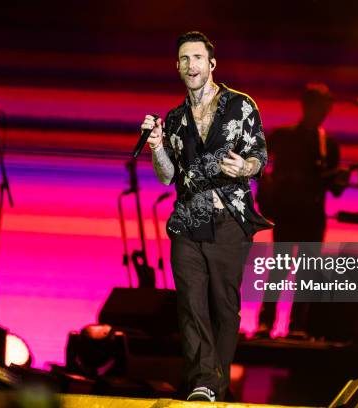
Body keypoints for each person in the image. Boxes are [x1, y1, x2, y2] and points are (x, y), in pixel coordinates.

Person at [140, 31, 271, 402]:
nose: (190, 65)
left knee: (224, 308)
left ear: (211, 64)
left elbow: (260, 155)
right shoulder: (175, 119)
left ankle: (216, 384)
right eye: (183, 59)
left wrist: (243, 166)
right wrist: (156, 147)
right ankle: (202, 383)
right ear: (177, 67)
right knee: (190, 304)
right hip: (186, 223)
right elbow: (167, 175)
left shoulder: (241, 106)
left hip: (229, 220)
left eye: (196, 58)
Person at [255, 82, 347, 338]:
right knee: (280, 269)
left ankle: (297, 325)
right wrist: (266, 190)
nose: (324, 110)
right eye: (321, 104)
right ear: (308, 105)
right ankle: (267, 322)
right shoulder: (283, 136)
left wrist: (341, 179)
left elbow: (335, 189)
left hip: (312, 215)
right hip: (287, 211)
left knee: (307, 272)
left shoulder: (328, 144)